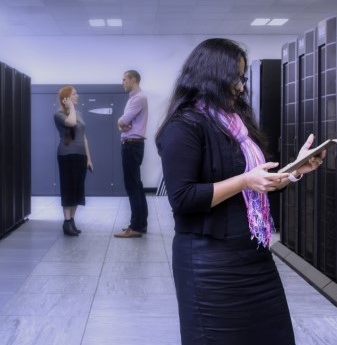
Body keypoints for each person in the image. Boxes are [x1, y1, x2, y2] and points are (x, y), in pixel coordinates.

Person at [155, 38, 325, 344]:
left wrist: (296, 170)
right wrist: (245, 181)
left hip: (254, 256)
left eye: (242, 77)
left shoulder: (237, 125)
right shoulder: (183, 127)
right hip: (208, 265)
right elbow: (183, 198)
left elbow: (255, 190)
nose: (241, 86)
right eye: (235, 77)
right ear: (212, 76)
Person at [54, 85, 93, 236]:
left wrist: (89, 158)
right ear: (66, 98)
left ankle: (72, 221)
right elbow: (71, 123)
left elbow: (83, 136)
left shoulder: (79, 113)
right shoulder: (59, 114)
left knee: (78, 188)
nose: (77, 96)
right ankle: (66, 222)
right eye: (74, 94)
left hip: (80, 155)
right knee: (68, 187)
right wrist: (69, 107)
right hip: (66, 155)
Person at [114, 70, 149, 238]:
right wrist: (122, 124)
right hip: (133, 145)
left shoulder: (138, 99)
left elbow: (122, 121)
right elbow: (122, 123)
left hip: (131, 145)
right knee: (137, 185)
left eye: (124, 79)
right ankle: (141, 224)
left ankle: (136, 227)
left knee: (132, 186)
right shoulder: (134, 99)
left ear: (133, 79)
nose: (122, 82)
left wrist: (120, 123)